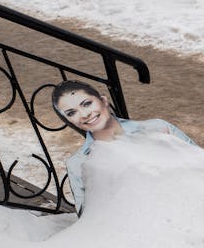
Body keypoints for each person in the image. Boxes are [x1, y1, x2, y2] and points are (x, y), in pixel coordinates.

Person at [51, 80, 195, 215]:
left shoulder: (158, 128)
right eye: (71, 113)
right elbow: (88, 219)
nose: (85, 114)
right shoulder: (79, 163)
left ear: (104, 101)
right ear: (69, 121)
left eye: (87, 104)